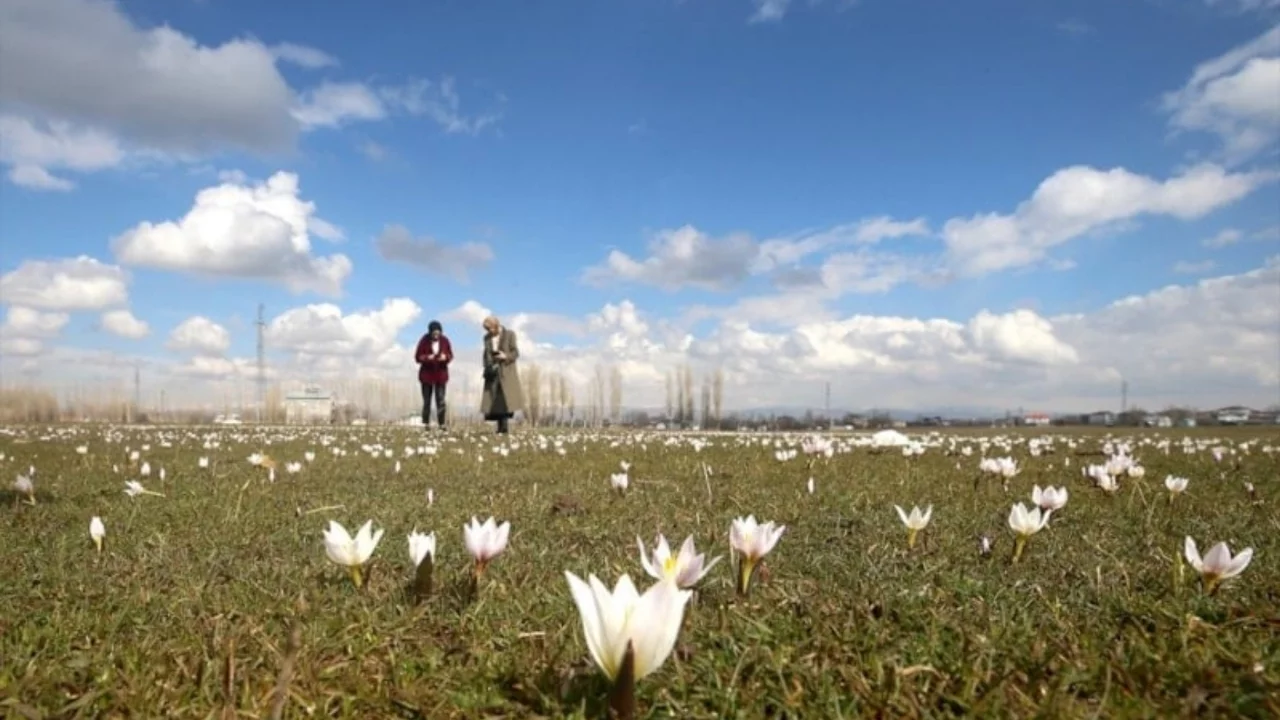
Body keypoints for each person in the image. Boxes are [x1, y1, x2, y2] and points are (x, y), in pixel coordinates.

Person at [480, 315, 524, 434]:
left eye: (490, 329)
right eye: (487, 329)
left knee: (505, 400)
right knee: (494, 401)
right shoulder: (486, 338)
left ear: (496, 326)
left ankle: (504, 428)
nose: (489, 331)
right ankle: (499, 428)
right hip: (492, 372)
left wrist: (505, 356)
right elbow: (486, 354)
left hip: (506, 372)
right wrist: (487, 365)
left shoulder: (510, 334)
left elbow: (515, 352)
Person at [414, 320, 453, 430]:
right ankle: (426, 423)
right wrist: (427, 358)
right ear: (430, 332)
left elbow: (450, 355)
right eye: (434, 333)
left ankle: (442, 423)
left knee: (440, 400)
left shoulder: (445, 341)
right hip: (427, 376)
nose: (436, 335)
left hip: (441, 375)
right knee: (427, 401)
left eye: (438, 333)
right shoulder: (424, 340)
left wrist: (446, 358)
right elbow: (417, 357)